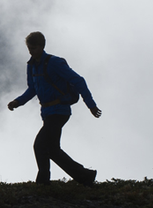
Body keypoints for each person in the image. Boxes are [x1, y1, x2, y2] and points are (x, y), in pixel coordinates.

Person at [8, 31, 102, 185]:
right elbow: (32, 89)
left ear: (42, 46)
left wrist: (91, 105)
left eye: (34, 48)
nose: (31, 52)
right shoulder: (31, 66)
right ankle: (86, 176)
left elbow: (78, 80)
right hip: (46, 112)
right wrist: (17, 102)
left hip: (60, 111)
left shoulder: (54, 63)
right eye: (29, 49)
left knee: (39, 145)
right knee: (52, 149)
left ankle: (42, 183)